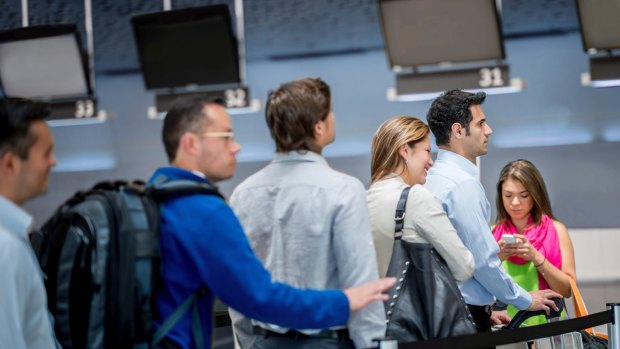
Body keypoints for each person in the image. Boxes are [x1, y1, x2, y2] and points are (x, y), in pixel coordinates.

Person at [148, 95, 395, 349]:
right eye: (226, 137)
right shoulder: (203, 210)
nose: (236, 147)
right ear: (191, 143)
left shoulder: (151, 199)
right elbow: (259, 297)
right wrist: (345, 301)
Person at [229, 77, 386, 349]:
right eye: (330, 112)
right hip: (327, 342)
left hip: (264, 342)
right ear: (319, 126)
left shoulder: (243, 194)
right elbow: (362, 287)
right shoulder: (344, 190)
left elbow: (240, 289)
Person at [423, 89, 561, 337]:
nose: (488, 131)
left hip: (441, 314)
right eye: (481, 123)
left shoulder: (432, 179)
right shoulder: (461, 185)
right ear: (458, 131)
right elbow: (482, 262)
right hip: (461, 319)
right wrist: (524, 300)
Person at [366, 115, 474, 283]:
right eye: (427, 151)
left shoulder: (362, 202)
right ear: (405, 151)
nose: (431, 162)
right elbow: (463, 267)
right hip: (414, 308)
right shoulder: (415, 198)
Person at [0, 98, 58, 349]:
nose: (53, 162)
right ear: (10, 163)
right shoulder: (5, 249)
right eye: (46, 153)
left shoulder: (12, 239)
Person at [492, 159, 576, 326]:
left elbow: (567, 290)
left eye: (523, 195)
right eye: (508, 195)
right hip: (506, 325)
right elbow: (480, 288)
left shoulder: (557, 230)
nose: (515, 203)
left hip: (548, 324)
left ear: (535, 195)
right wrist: (496, 259)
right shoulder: (492, 233)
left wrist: (536, 257)